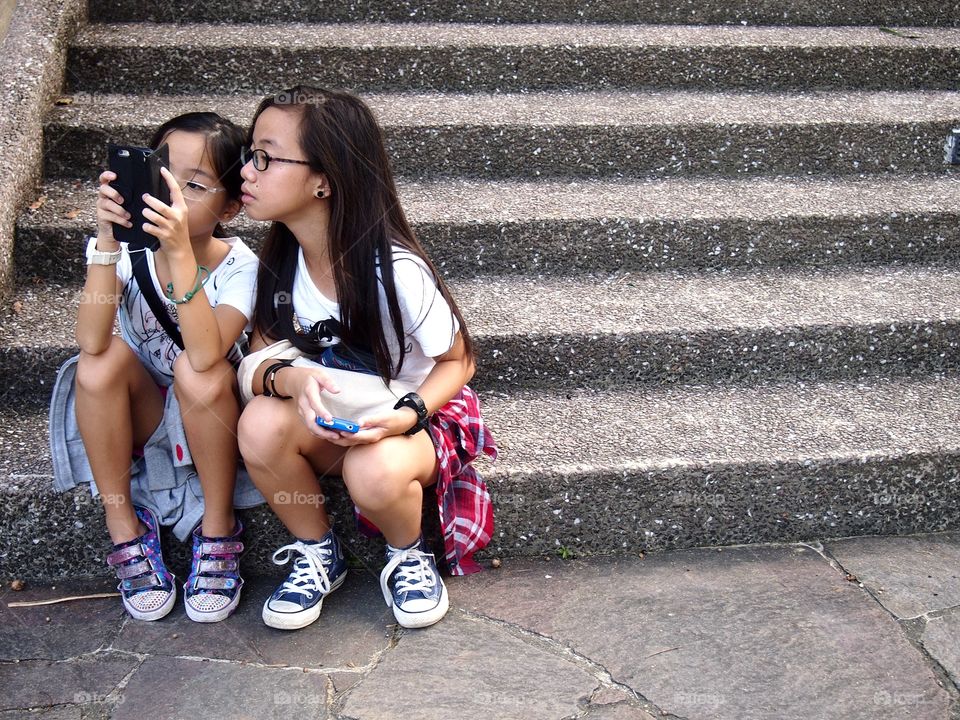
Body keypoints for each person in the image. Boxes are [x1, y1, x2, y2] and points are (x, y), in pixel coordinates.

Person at [236, 85, 497, 631]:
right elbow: (257, 364)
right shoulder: (282, 264)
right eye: (248, 154)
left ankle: (408, 553)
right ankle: (316, 552)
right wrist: (291, 380)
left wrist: (405, 417)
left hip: (415, 418)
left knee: (373, 468)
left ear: (324, 178)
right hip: (335, 413)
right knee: (259, 424)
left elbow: (459, 361)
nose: (247, 172)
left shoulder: (393, 271)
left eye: (265, 156)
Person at [50, 112, 259, 622]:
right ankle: (123, 525)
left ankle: (217, 528)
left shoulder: (241, 266)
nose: (175, 196)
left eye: (195, 185)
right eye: (164, 174)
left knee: (195, 369)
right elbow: (91, 339)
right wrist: (104, 239)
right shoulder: (120, 253)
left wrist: (180, 252)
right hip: (147, 413)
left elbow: (208, 355)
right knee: (96, 366)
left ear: (231, 204)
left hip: (213, 416)